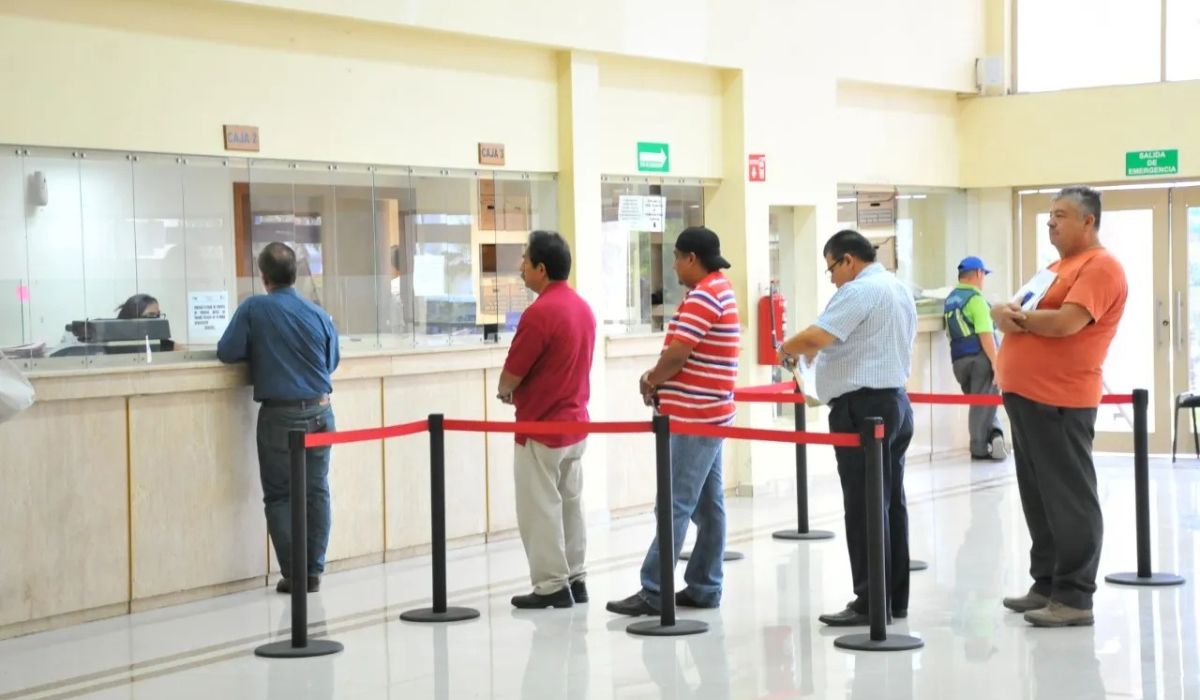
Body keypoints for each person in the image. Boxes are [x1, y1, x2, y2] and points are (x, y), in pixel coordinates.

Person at [992, 186, 1126, 628]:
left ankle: (1074, 595)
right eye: (1050, 214)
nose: (1051, 221)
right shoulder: (1054, 268)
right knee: (1039, 498)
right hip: (1026, 397)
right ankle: (1046, 584)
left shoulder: (1100, 266)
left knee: (1069, 499)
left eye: (1062, 215)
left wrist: (1016, 319)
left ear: (1089, 221)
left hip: (1060, 400)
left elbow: (1067, 322)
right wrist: (1003, 313)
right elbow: (1017, 309)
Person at [778, 229, 916, 626]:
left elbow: (817, 335)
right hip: (895, 403)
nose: (833, 279)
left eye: (832, 269)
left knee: (864, 506)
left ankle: (870, 601)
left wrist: (786, 348)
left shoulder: (858, 291)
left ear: (849, 261)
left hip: (864, 409)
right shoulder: (897, 288)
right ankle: (893, 599)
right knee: (890, 503)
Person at [606, 226, 740, 616]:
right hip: (709, 413)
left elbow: (679, 354)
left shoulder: (705, 296)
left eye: (677, 258)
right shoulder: (720, 289)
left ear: (691, 258)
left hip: (694, 417)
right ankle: (705, 585)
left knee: (673, 504)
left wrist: (652, 379)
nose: (674, 266)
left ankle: (654, 589)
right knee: (708, 506)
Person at [217, 241, 340, 594]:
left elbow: (227, 351)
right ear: (295, 275)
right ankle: (313, 571)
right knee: (317, 491)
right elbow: (331, 362)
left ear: (263, 277)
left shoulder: (254, 308)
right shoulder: (318, 313)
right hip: (321, 411)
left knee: (280, 496)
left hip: (280, 417)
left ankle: (295, 575)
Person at [497, 231, 596, 609]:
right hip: (576, 424)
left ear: (541, 268)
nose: (520, 266)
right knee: (571, 503)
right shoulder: (582, 308)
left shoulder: (539, 313)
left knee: (540, 508)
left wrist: (505, 391)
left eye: (525, 260)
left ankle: (551, 585)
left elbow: (513, 372)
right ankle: (576, 577)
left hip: (540, 427)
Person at [944, 256, 1006, 460]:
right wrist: (996, 363)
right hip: (980, 359)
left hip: (958, 361)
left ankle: (996, 435)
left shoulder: (950, 299)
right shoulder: (975, 299)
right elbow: (985, 334)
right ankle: (979, 448)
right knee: (984, 403)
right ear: (979, 273)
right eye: (984, 275)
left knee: (983, 404)